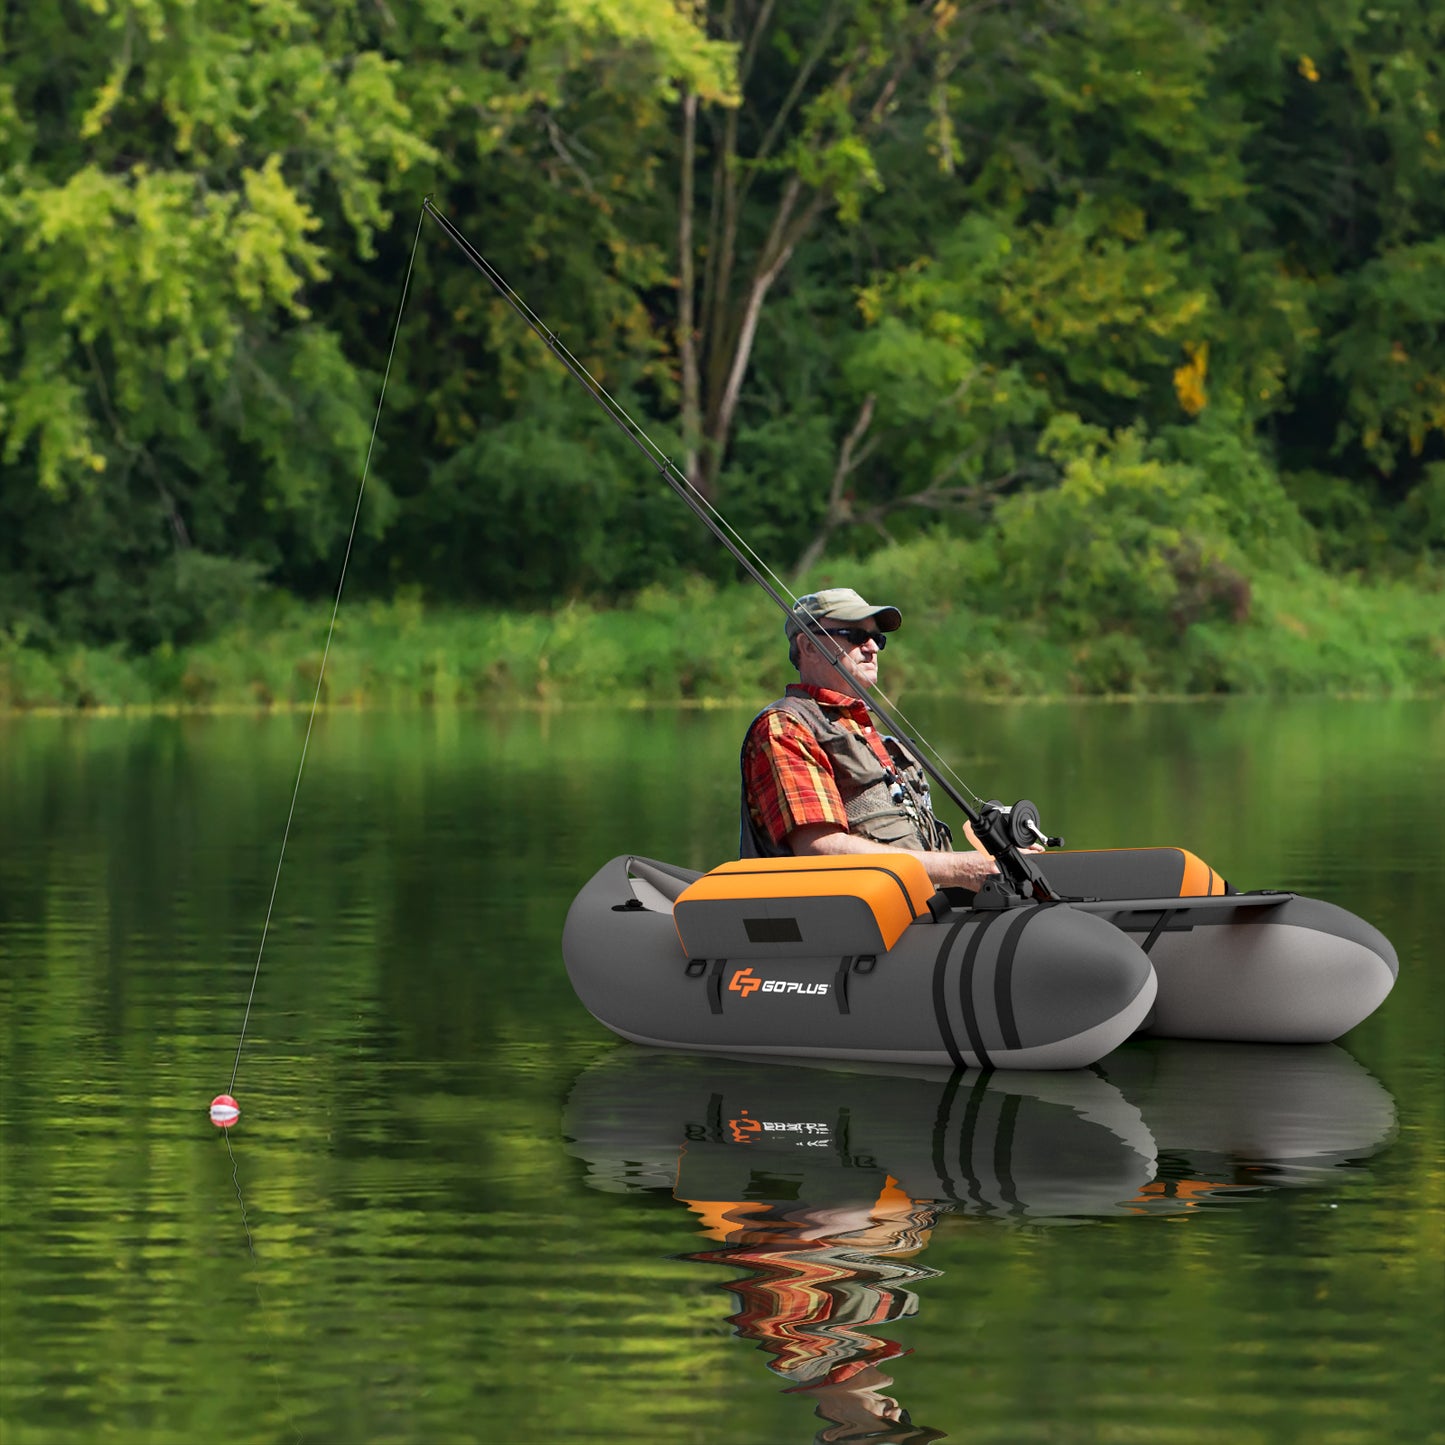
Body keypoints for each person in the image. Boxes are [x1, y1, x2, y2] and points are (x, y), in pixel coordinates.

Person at [740, 588, 1001, 891]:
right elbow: (818, 850)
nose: (872, 647)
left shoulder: (875, 736)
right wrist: (962, 869)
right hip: (845, 915)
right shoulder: (786, 728)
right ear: (808, 646)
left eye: (877, 638)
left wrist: (994, 862)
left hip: (922, 909)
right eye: (855, 636)